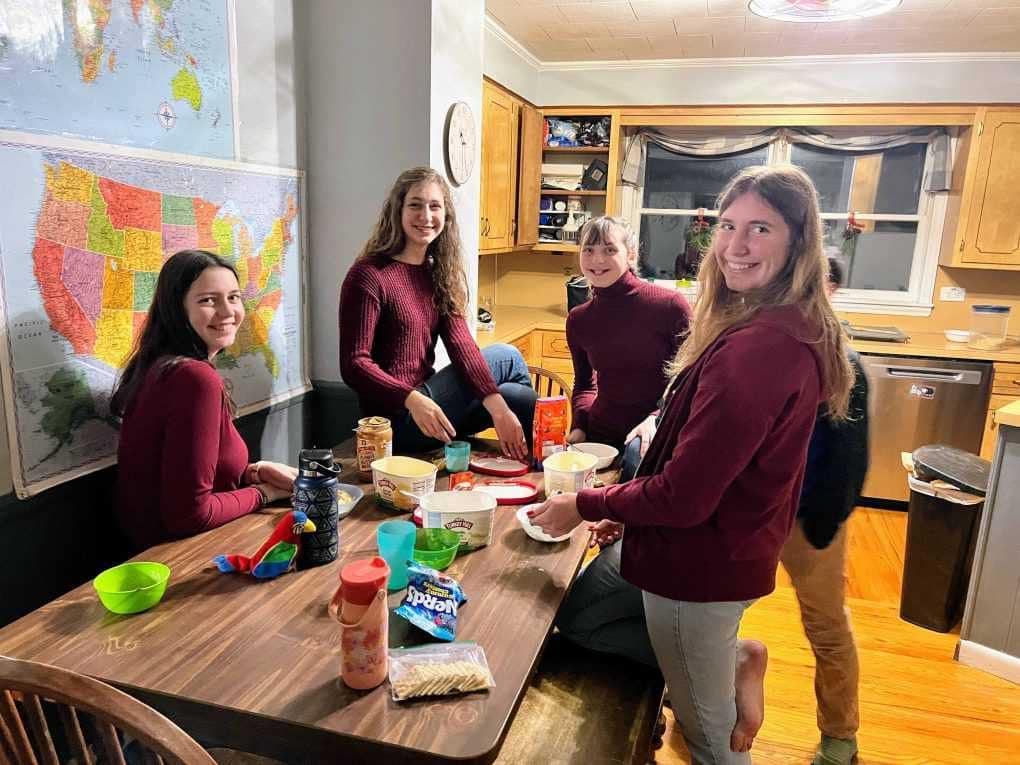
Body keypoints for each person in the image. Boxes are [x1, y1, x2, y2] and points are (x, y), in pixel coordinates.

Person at [532, 165, 854, 764]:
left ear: (798, 242)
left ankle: (718, 671)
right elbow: (687, 453)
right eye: (729, 226)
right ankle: (729, 661)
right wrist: (630, 514)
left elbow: (684, 495)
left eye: (760, 228)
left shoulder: (760, 349)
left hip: (696, 564)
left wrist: (584, 503)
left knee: (712, 743)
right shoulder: (757, 325)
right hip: (676, 537)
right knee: (577, 619)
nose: (736, 245)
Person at [339, 167, 536, 460]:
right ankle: (526, 452)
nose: (426, 216)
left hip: (434, 417)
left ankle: (530, 467)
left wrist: (500, 410)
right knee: (507, 356)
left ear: (446, 215)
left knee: (519, 398)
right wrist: (412, 398)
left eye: (435, 206)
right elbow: (354, 364)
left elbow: (462, 346)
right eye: (415, 205)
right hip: (397, 422)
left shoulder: (436, 274)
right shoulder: (368, 275)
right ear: (398, 210)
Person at [112, 250, 296, 551]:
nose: (228, 312)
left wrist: (254, 472)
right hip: (177, 561)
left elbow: (185, 474)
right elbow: (189, 515)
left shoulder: (162, 365)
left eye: (234, 297)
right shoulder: (194, 379)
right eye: (208, 300)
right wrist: (266, 493)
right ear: (176, 308)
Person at [781, 254, 869, 765]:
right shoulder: (761, 346)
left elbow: (850, 457)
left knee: (827, 627)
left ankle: (840, 738)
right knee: (719, 618)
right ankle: (710, 710)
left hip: (810, 521)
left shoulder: (841, 361)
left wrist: (825, 521)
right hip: (755, 516)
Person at [566, 216, 690, 481]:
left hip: (651, 434)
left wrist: (656, 417)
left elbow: (690, 380)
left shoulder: (669, 306)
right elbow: (585, 385)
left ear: (630, 253)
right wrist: (579, 427)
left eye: (609, 250)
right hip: (601, 436)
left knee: (628, 497)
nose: (597, 260)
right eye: (589, 250)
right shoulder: (579, 319)